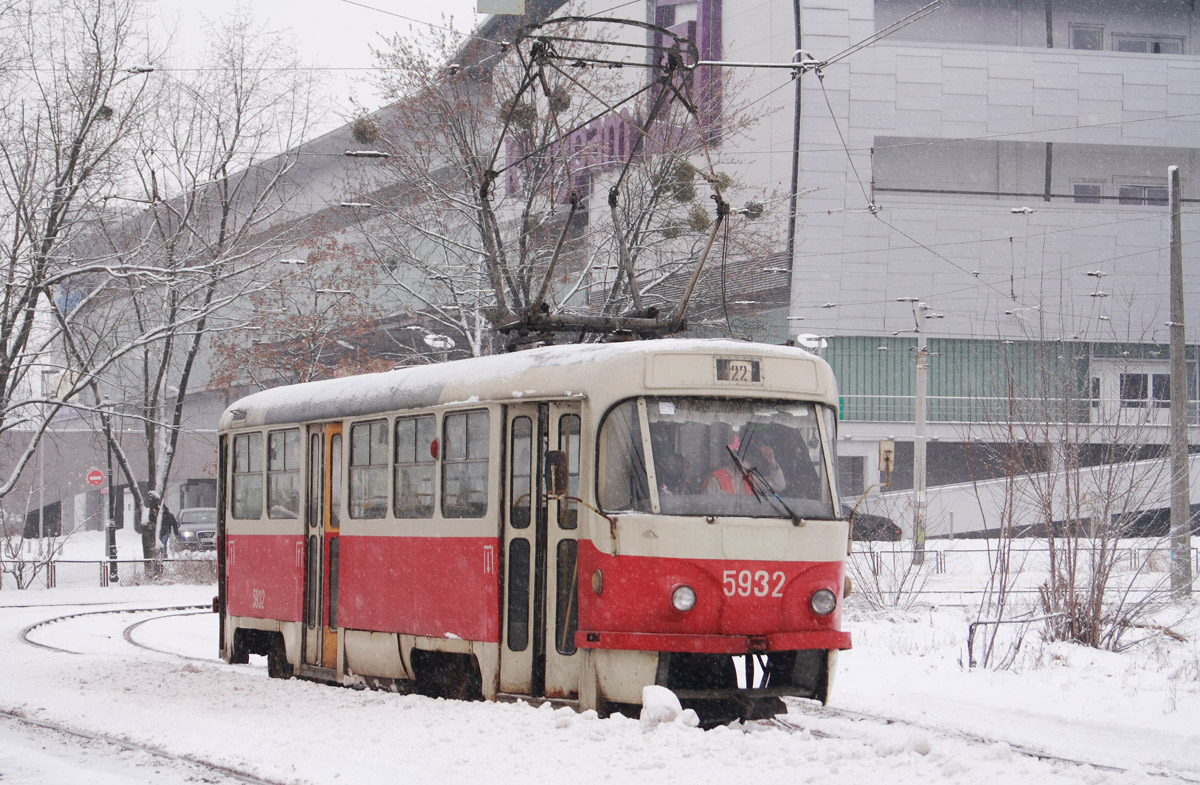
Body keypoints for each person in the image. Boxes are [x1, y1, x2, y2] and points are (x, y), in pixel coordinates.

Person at [704, 441, 786, 495]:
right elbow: (709, 510)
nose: (747, 463)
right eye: (745, 458)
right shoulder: (716, 479)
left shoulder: (751, 479)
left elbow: (778, 485)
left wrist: (771, 461)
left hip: (747, 521)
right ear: (734, 458)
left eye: (750, 460)